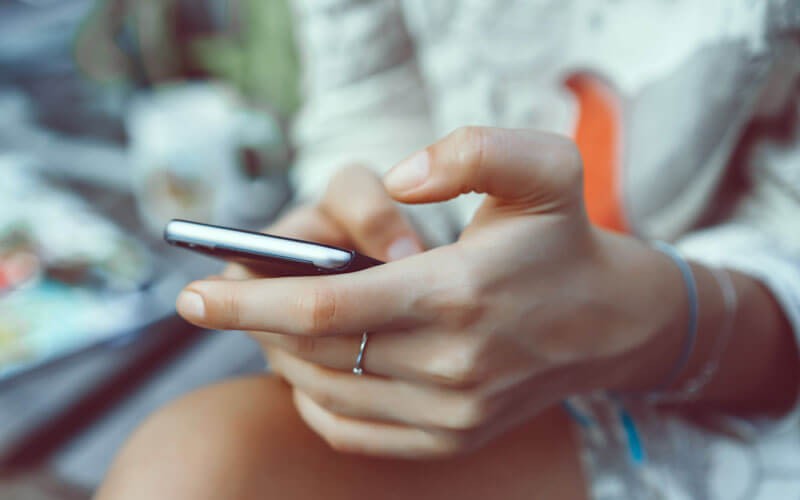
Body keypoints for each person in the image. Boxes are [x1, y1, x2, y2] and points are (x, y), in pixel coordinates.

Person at [97, 1, 800, 498]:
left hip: (752, 358)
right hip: (479, 331)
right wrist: (361, 219)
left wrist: (657, 321)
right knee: (195, 464)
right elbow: (367, 94)